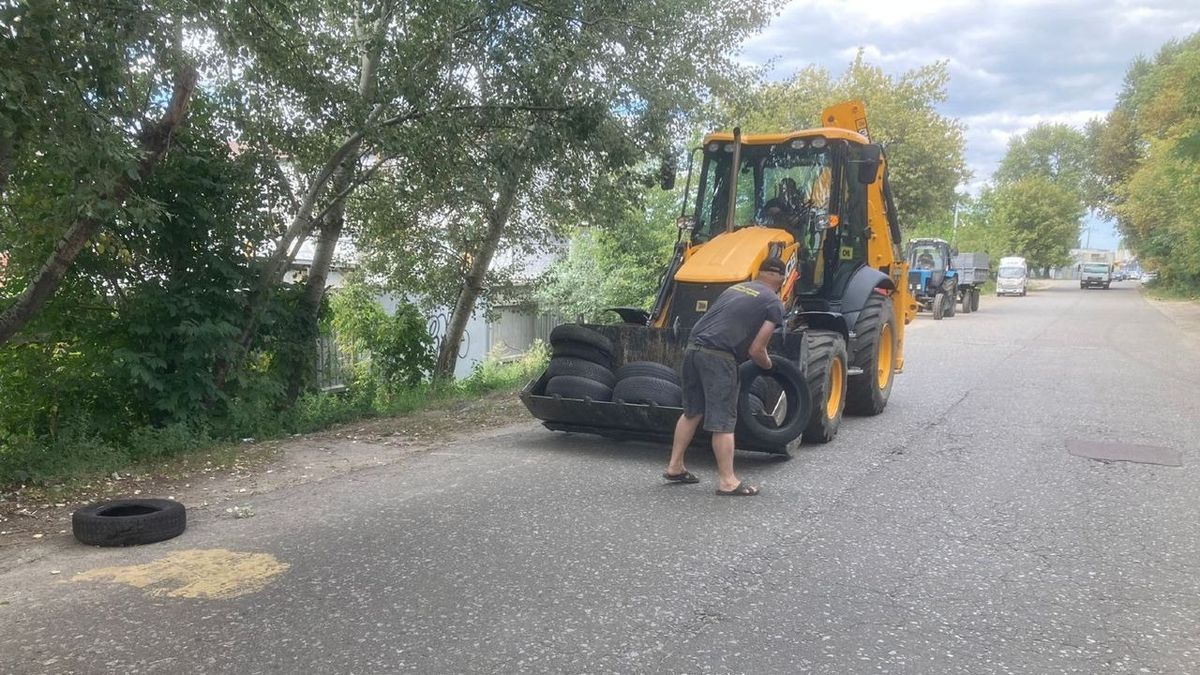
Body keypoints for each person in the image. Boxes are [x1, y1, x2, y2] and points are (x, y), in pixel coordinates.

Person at [663, 257, 787, 496]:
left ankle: (675, 466)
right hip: (719, 357)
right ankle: (728, 481)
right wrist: (770, 367)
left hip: (693, 349)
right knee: (723, 420)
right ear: (781, 278)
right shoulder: (773, 302)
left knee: (692, 412)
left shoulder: (735, 288)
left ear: (759, 273)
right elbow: (756, 350)